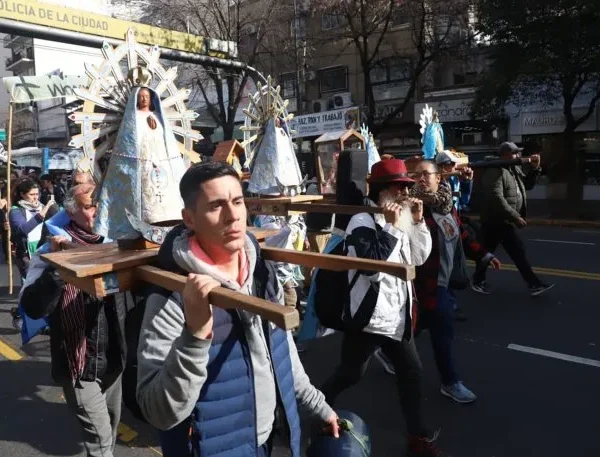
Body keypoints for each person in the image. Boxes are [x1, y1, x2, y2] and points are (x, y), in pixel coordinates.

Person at [136, 162, 338, 457]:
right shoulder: (173, 296)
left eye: (237, 201)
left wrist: (319, 407)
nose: (232, 216)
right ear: (189, 219)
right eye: (216, 206)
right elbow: (158, 412)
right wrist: (194, 337)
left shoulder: (263, 275)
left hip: (265, 439)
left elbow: (284, 358)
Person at [320, 159, 448, 457]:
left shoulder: (401, 218)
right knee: (350, 374)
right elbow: (370, 269)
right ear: (381, 191)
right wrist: (390, 227)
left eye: (406, 187)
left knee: (412, 374)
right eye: (398, 187)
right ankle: (315, 406)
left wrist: (416, 222)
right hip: (368, 319)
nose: (405, 193)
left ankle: (418, 437)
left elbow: (417, 258)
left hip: (396, 318)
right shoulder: (362, 221)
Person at [20, 184, 128, 457]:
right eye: (91, 205)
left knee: (109, 433)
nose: (100, 210)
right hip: (78, 364)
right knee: (101, 442)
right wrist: (59, 268)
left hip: (114, 360)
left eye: (102, 203)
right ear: (72, 212)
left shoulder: (117, 243)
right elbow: (32, 307)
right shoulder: (52, 249)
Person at [411, 161, 501, 404]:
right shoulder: (411, 207)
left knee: (416, 327)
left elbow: (460, 233)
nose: (420, 178)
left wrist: (483, 255)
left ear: (438, 178)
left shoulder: (445, 206)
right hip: (422, 283)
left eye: (426, 174)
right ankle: (450, 382)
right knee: (443, 330)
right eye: (416, 174)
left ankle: (387, 349)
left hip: (443, 280)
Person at [472, 142, 554, 296]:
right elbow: (495, 197)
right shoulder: (495, 169)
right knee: (515, 251)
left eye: (518, 153)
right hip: (495, 220)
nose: (519, 156)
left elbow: (527, 185)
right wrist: (515, 216)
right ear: (505, 155)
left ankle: (478, 280)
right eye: (515, 153)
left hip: (504, 220)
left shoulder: (513, 169)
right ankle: (533, 284)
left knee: (489, 253)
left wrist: (535, 168)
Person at [8, 178, 56, 329]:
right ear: (22, 195)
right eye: (32, 194)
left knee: (44, 285)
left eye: (37, 194)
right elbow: (23, 229)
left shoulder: (42, 207)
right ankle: (22, 314)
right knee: (30, 286)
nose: (36, 197)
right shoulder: (16, 211)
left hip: (43, 250)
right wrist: (42, 213)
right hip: (26, 254)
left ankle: (41, 317)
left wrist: (54, 209)